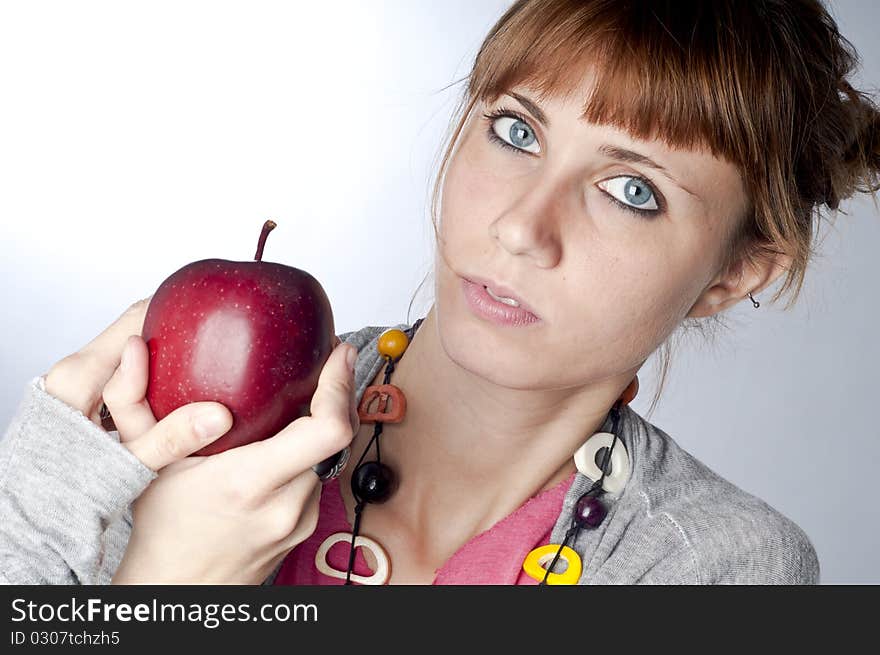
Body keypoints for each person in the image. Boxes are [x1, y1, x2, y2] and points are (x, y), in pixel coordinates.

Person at [2, 0, 878, 585]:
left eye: (632, 190)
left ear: (732, 275)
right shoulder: (137, 418)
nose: (520, 227)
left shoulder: (719, 567)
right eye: (514, 130)